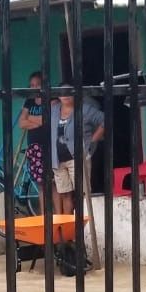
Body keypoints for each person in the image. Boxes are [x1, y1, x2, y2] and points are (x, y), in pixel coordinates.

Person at [49, 87, 105, 215]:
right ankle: (70, 228)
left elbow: (105, 120)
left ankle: (85, 226)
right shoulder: (53, 110)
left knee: (83, 193)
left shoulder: (84, 109)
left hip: (78, 157)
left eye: (69, 92)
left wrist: (92, 140)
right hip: (58, 160)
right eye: (62, 93)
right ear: (58, 96)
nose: (66, 95)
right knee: (65, 194)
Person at [17, 71, 53, 205]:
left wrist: (30, 119)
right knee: (41, 185)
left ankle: (57, 217)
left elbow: (49, 119)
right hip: (34, 146)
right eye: (32, 85)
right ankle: (45, 219)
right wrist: (40, 120)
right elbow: (21, 123)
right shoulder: (29, 101)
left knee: (53, 184)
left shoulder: (51, 98)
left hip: (49, 145)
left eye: (38, 84)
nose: (35, 87)